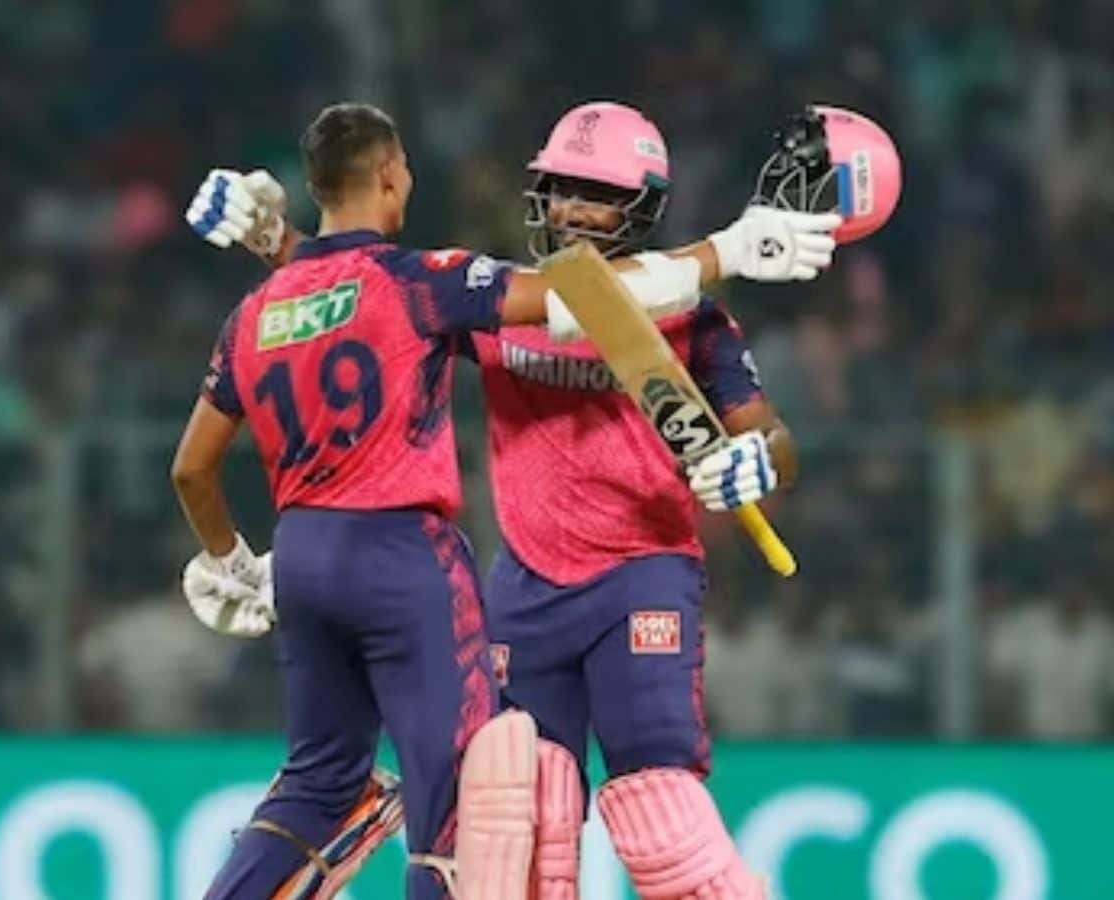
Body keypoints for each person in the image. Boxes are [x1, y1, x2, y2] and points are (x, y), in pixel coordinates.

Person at [172, 101, 844, 899]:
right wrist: (275, 239)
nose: (572, 210)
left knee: (662, 821)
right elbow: (370, 294)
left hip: (641, 577)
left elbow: (771, 436)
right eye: (561, 189)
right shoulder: (503, 300)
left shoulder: (695, 320)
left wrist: (758, 461)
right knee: (528, 830)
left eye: (597, 195)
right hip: (525, 587)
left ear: (642, 208)